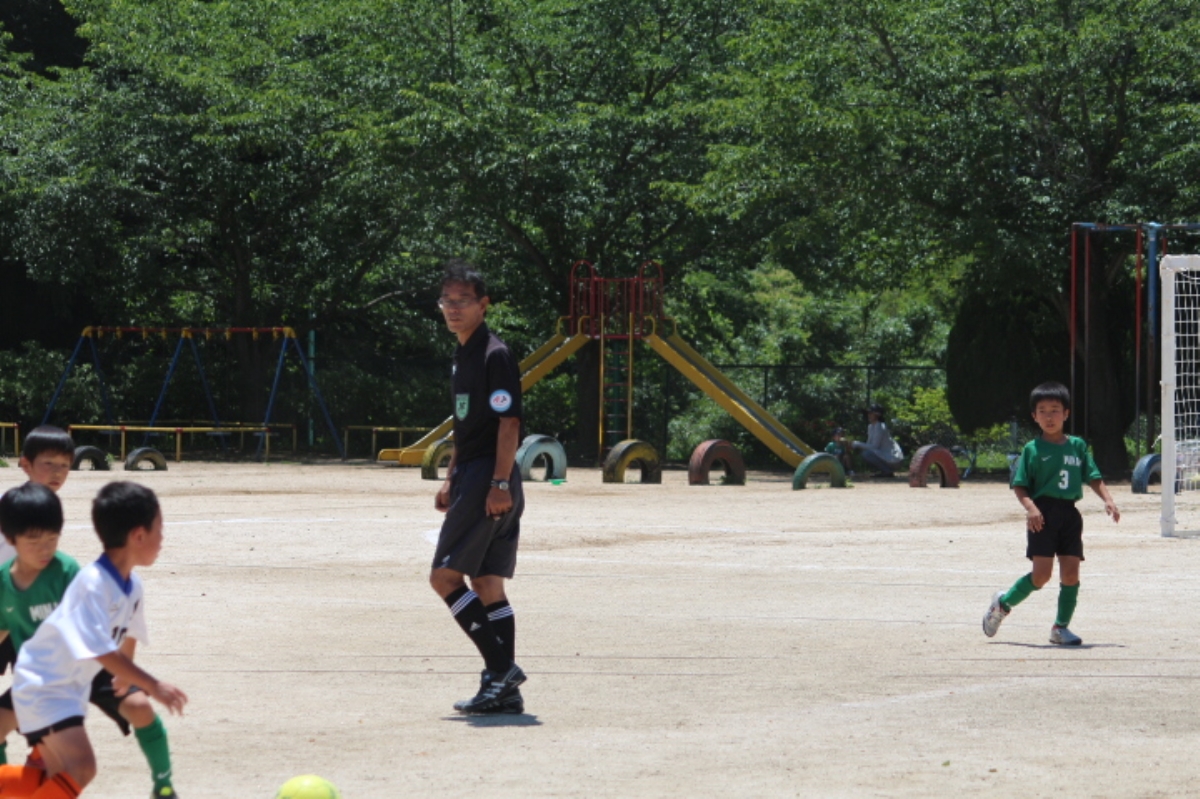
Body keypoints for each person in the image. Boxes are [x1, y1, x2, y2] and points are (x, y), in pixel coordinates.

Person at [8, 428, 181, 798]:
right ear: (138, 536)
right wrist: (154, 685)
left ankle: (163, 784)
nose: (164, 539)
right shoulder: (90, 582)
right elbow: (100, 648)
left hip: (66, 682)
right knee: (82, 767)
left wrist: (125, 677)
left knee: (52, 776)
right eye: (159, 530)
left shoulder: (130, 585)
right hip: (44, 682)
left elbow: (127, 635)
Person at [430, 259, 527, 715]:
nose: (453, 308)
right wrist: (450, 476)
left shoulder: (494, 354)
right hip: (474, 473)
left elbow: (510, 423)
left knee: (444, 577)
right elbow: (464, 424)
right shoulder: (462, 354)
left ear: (483, 305)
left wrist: (499, 483)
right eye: (447, 301)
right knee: (487, 582)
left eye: (463, 301)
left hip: (490, 475)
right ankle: (503, 690)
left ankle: (501, 669)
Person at [982, 381, 1120, 646]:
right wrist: (1031, 508)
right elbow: (1020, 486)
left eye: (1055, 410)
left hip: (1069, 515)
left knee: (1071, 574)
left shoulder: (1077, 446)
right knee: (1041, 576)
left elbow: (1093, 476)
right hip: (1042, 514)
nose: (1049, 416)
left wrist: (1108, 500)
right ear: (1034, 416)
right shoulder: (1032, 449)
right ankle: (1003, 603)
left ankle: (1060, 627)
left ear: (1066, 413)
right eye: (1042, 411)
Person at [849, 404, 905, 477]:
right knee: (865, 453)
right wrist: (853, 445)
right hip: (887, 458)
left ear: (877, 415)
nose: (869, 415)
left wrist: (857, 444)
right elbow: (868, 445)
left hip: (894, 460)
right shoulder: (870, 427)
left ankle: (887, 471)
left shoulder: (880, 426)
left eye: (871, 413)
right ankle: (885, 471)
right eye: (868, 413)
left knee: (866, 454)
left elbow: (875, 446)